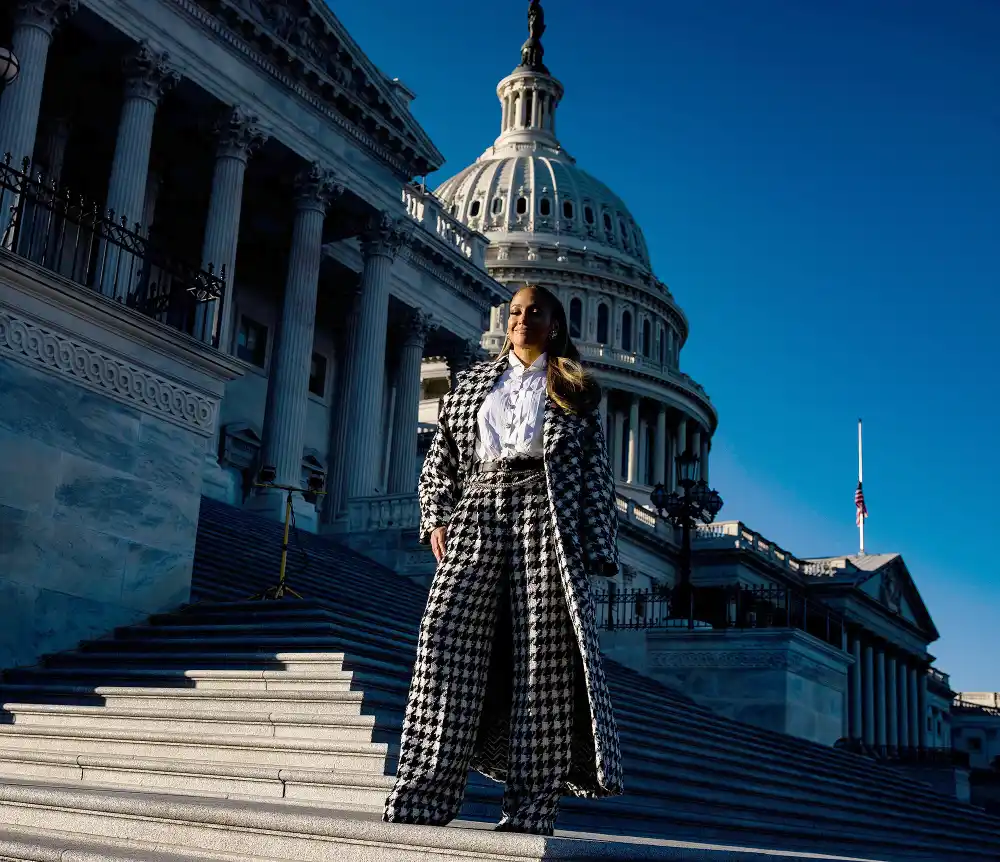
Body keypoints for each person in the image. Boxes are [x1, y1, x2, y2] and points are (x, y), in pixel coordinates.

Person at [383, 284, 624, 836]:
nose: (521, 319)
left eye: (533, 311)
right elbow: (440, 459)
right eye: (514, 311)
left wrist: (592, 551)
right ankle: (422, 796)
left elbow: (594, 476)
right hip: (480, 507)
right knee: (444, 643)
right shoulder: (469, 386)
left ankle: (530, 808)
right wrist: (436, 517)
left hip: (546, 513)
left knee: (543, 663)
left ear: (554, 323)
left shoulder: (576, 392)